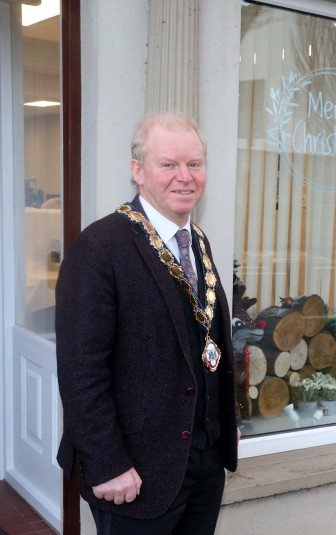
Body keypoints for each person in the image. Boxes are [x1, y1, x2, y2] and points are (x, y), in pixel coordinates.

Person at [55, 114, 239, 534]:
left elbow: (208, 341)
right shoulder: (99, 248)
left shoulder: (197, 240)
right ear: (138, 171)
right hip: (133, 475)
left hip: (203, 461)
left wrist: (224, 421)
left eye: (194, 164)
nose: (185, 177)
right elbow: (81, 370)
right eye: (168, 164)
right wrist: (106, 464)